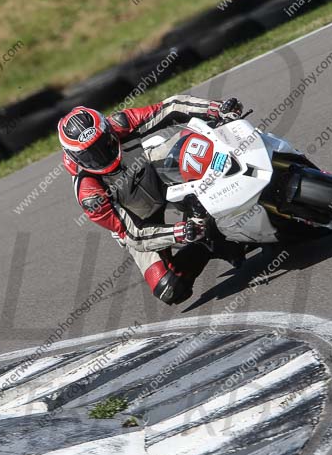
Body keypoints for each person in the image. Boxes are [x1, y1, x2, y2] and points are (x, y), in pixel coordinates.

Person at [58, 95, 244, 305]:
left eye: (103, 144)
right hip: (141, 220)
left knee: (181, 142)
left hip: (164, 179)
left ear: (108, 129)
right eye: (90, 155)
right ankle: (209, 241)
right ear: (73, 158)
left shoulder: (120, 123)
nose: (101, 156)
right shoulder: (89, 194)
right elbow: (133, 235)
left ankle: (237, 172)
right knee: (169, 288)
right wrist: (180, 232)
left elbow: (171, 107)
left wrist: (215, 109)